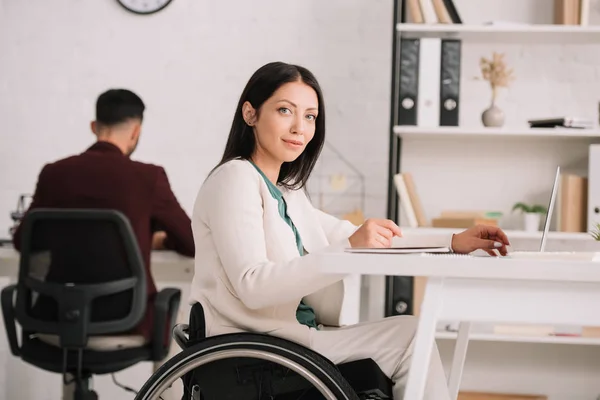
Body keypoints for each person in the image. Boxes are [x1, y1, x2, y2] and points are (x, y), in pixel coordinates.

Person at [189, 62, 510, 399]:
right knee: (413, 336)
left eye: (310, 116)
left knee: (413, 332)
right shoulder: (234, 179)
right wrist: (348, 247)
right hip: (258, 351)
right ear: (250, 114)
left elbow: (360, 235)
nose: (300, 127)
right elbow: (253, 285)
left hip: (291, 340)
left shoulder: (286, 192)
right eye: (286, 110)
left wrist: (452, 241)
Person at [12, 88, 195, 341]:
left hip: (55, 317)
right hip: (127, 320)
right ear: (136, 131)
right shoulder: (148, 178)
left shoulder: (53, 173)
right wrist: (157, 239)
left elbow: (23, 241)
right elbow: (191, 241)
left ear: (93, 126)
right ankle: (162, 383)